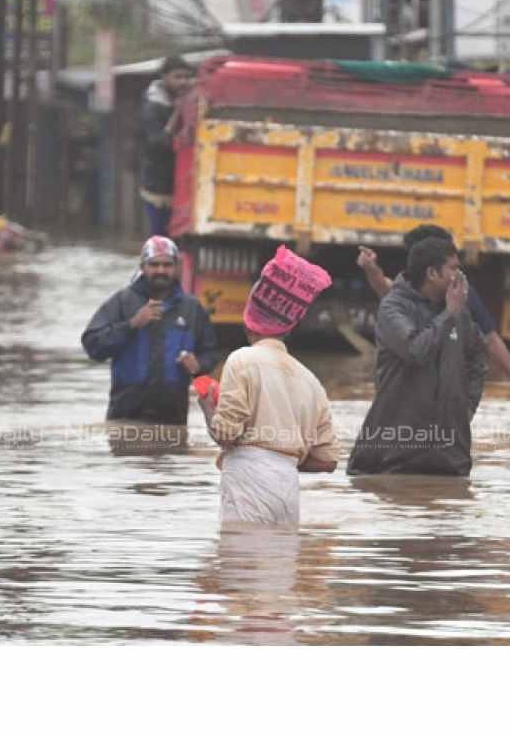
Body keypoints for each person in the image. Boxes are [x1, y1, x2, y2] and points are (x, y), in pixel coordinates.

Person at [201, 246, 338, 525]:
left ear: (248, 321)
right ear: (289, 328)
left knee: (240, 563)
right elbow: (328, 461)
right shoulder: (310, 381)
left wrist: (207, 408)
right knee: (280, 564)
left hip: (248, 482)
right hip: (288, 487)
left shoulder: (242, 360)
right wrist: (283, 454)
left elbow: (225, 436)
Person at [356, 225, 510, 422]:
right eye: (453, 267)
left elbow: (487, 346)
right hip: (399, 416)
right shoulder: (400, 300)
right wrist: (371, 269)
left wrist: (468, 410)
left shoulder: (460, 296)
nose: (457, 274)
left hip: (442, 415)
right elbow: (387, 292)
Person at [347, 232, 489, 477]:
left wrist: (464, 409)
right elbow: (416, 351)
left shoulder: (458, 312)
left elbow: (478, 359)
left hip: (449, 457)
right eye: (453, 269)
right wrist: (449, 314)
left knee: (451, 510)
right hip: (391, 456)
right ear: (432, 274)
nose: (460, 276)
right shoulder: (394, 308)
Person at [82, 235, 218, 424]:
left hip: (173, 420)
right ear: (142, 267)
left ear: (176, 267)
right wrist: (132, 324)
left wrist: (199, 365)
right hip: (125, 416)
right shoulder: (122, 301)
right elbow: (93, 345)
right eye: (154, 265)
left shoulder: (191, 307)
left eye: (167, 265)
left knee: (175, 454)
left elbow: (211, 352)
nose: (161, 270)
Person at [139, 55, 194, 237]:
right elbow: (159, 143)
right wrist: (178, 112)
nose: (183, 82)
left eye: (186, 77)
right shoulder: (153, 106)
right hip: (158, 187)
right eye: (177, 77)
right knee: (160, 238)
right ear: (164, 77)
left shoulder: (191, 101)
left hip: (184, 185)